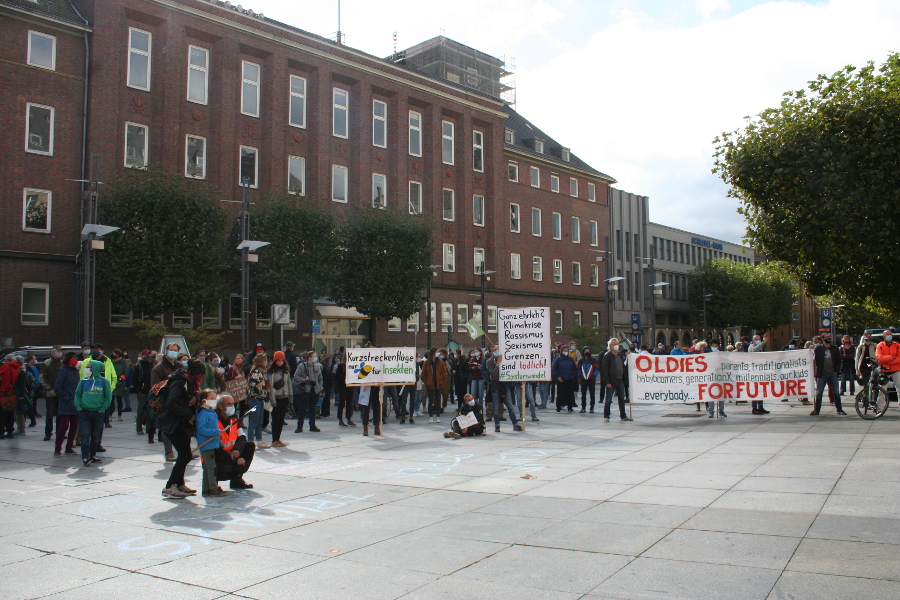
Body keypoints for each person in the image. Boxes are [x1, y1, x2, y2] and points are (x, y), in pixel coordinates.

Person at [155, 358, 207, 498]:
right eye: (201, 374)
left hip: (181, 424)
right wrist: (189, 414)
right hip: (172, 424)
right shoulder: (179, 382)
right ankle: (170, 486)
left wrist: (195, 399)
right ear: (195, 373)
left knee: (185, 455)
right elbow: (171, 403)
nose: (201, 378)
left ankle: (179, 484)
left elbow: (187, 399)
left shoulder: (189, 382)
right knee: (185, 455)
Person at [74, 358, 113, 466]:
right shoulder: (83, 381)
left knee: (96, 436)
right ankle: (85, 457)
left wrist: (102, 409)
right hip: (85, 412)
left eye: (89, 367)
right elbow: (78, 394)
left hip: (98, 413)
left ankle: (93, 455)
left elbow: (108, 397)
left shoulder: (104, 382)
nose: (86, 369)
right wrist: (79, 406)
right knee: (85, 435)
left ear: (95, 369)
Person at [212, 394, 254, 490]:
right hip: (219, 458)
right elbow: (215, 448)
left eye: (232, 403)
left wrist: (237, 450)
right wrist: (235, 460)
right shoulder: (214, 420)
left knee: (250, 446)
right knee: (235, 463)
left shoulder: (234, 418)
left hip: (232, 454)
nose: (232, 406)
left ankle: (237, 480)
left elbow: (242, 437)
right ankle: (214, 484)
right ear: (220, 406)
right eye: (228, 404)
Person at [195, 389, 228, 497]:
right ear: (204, 400)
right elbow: (201, 429)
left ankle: (206, 489)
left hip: (212, 443)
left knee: (207, 467)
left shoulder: (210, 412)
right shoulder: (203, 413)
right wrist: (216, 432)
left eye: (215, 398)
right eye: (211, 398)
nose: (214, 400)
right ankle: (213, 488)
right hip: (206, 444)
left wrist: (219, 440)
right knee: (211, 467)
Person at [486, 345, 522, 433]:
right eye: (494, 350)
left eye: (497, 349)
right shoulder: (489, 361)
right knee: (496, 407)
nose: (496, 351)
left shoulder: (505, 359)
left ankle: (515, 424)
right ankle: (497, 425)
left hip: (504, 385)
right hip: (495, 385)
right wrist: (498, 363)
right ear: (491, 353)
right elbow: (493, 374)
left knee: (510, 406)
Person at [52, 352, 80, 456]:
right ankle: (58, 447)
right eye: (73, 358)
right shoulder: (63, 370)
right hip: (66, 402)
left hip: (75, 402)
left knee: (74, 425)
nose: (75, 360)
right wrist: (66, 397)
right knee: (64, 425)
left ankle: (69, 447)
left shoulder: (75, 371)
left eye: (76, 358)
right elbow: (57, 387)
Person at [812, 336, 845, 416]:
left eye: (829, 337)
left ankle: (839, 409)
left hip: (832, 373)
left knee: (836, 392)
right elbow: (812, 356)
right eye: (827, 337)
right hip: (822, 374)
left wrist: (836, 371)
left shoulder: (835, 348)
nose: (828, 339)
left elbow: (838, 360)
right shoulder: (818, 349)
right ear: (823, 339)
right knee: (819, 392)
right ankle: (817, 410)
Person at [601, 338, 632, 423]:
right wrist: (607, 382)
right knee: (608, 399)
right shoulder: (607, 356)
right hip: (611, 380)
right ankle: (606, 416)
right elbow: (605, 370)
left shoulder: (620, 355)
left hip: (620, 380)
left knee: (621, 398)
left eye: (617, 344)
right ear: (610, 346)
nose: (616, 346)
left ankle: (623, 415)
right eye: (614, 344)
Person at [293, 350, 322, 433]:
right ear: (309, 357)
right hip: (305, 390)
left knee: (312, 408)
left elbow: (320, 378)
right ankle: (299, 426)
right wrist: (304, 379)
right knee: (302, 408)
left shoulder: (317, 366)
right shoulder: (302, 366)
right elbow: (296, 377)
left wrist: (320, 387)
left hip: (314, 390)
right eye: (314, 356)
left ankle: (312, 425)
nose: (316, 358)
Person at [268, 351, 292, 447]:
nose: (280, 362)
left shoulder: (286, 371)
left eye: (281, 360)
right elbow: (270, 386)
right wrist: (272, 400)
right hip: (276, 397)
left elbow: (289, 383)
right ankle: (274, 439)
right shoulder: (271, 372)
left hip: (284, 396)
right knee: (276, 419)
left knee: (281, 419)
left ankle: (278, 438)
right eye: (278, 360)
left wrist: (290, 396)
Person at [40, 345, 64, 441]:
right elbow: (42, 377)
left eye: (60, 351)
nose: (59, 353)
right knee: (49, 414)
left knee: (60, 414)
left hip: (60, 392)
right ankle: (48, 433)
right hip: (50, 393)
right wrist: (49, 388)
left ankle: (59, 432)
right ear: (52, 352)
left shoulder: (62, 363)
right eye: (58, 351)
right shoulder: (47, 363)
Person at [246, 352, 269, 448]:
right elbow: (255, 386)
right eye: (265, 360)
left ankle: (259, 441)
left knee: (260, 421)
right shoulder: (255, 372)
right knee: (253, 421)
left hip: (260, 399)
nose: (266, 362)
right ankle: (250, 442)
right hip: (254, 399)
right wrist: (263, 394)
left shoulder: (262, 372)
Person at [420, 347, 448, 424]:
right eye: (437, 352)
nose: (438, 353)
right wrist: (427, 381)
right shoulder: (426, 362)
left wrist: (441, 379)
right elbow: (423, 374)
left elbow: (445, 372)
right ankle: (431, 416)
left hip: (439, 384)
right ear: (433, 352)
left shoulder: (440, 362)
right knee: (431, 400)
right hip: (430, 384)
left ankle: (438, 416)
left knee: (438, 401)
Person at [0, 355, 24, 438]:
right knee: (10, 413)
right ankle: (10, 431)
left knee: (1, 413)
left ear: (6, 360)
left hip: (3, 392)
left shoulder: (6, 366)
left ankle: (1, 432)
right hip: (12, 393)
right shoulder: (17, 368)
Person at [875, 329, 900, 401]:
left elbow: (899, 358)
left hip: (896, 370)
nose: (889, 336)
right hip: (884, 370)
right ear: (883, 336)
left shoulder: (897, 345)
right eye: (887, 334)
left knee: (899, 390)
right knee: (882, 391)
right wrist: (892, 357)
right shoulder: (880, 345)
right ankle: (880, 407)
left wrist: (888, 361)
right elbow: (880, 358)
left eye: (890, 334)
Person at [551, 344, 577, 413]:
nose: (566, 352)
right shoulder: (558, 359)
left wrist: (573, 375)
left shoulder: (570, 359)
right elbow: (553, 369)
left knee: (570, 394)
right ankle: (558, 408)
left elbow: (574, 368)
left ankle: (570, 407)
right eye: (564, 350)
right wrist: (557, 377)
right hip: (561, 379)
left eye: (567, 350)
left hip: (569, 379)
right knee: (560, 394)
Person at [577, 346, 599, 413]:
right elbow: (578, 369)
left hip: (591, 380)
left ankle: (592, 408)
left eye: (588, 351)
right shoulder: (581, 361)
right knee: (583, 394)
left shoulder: (593, 360)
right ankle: (583, 407)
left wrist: (594, 375)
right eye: (586, 351)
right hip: (583, 380)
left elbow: (597, 369)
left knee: (592, 394)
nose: (587, 353)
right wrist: (580, 375)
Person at [110, 349, 128, 423]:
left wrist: (121, 378)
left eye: (114, 353)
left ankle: (119, 415)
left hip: (120, 382)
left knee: (119, 399)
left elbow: (126, 372)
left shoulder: (123, 362)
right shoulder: (111, 361)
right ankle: (110, 415)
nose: (112, 355)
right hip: (112, 382)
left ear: (117, 355)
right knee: (111, 400)